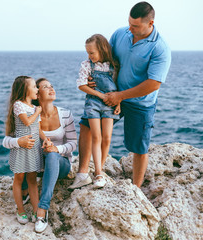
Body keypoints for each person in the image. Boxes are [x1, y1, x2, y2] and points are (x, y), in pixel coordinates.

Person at [70, 1, 171, 189]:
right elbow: (105, 58)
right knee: (87, 126)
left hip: (140, 102)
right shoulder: (120, 33)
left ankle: (136, 189)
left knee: (138, 147)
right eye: (129, 23)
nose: (130, 28)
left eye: (135, 26)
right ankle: (83, 173)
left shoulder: (160, 48)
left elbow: (154, 83)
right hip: (110, 94)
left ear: (150, 24)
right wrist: (91, 77)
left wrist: (121, 96)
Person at [3, 78, 77, 233]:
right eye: (44, 87)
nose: (51, 89)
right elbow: (6, 140)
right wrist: (19, 141)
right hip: (35, 163)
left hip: (60, 164)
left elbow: (73, 144)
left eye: (52, 85)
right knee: (26, 176)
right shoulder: (28, 111)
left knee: (51, 155)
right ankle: (23, 201)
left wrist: (56, 149)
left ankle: (42, 210)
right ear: (37, 93)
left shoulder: (65, 114)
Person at [70, 34, 120, 189]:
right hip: (93, 103)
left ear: (102, 49)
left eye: (92, 53)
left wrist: (120, 102)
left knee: (107, 138)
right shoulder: (87, 65)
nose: (89, 56)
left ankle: (100, 170)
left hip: (110, 104)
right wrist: (100, 95)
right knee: (96, 136)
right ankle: (98, 173)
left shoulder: (114, 66)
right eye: (88, 53)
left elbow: (120, 86)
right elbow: (81, 85)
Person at [5, 76, 50, 224]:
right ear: (25, 90)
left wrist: (45, 139)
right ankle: (20, 210)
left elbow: (38, 128)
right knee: (18, 179)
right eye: (34, 87)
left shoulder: (33, 107)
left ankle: (37, 210)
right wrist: (38, 112)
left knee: (32, 179)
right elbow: (27, 121)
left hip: (33, 147)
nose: (37, 89)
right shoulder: (19, 105)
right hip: (22, 148)